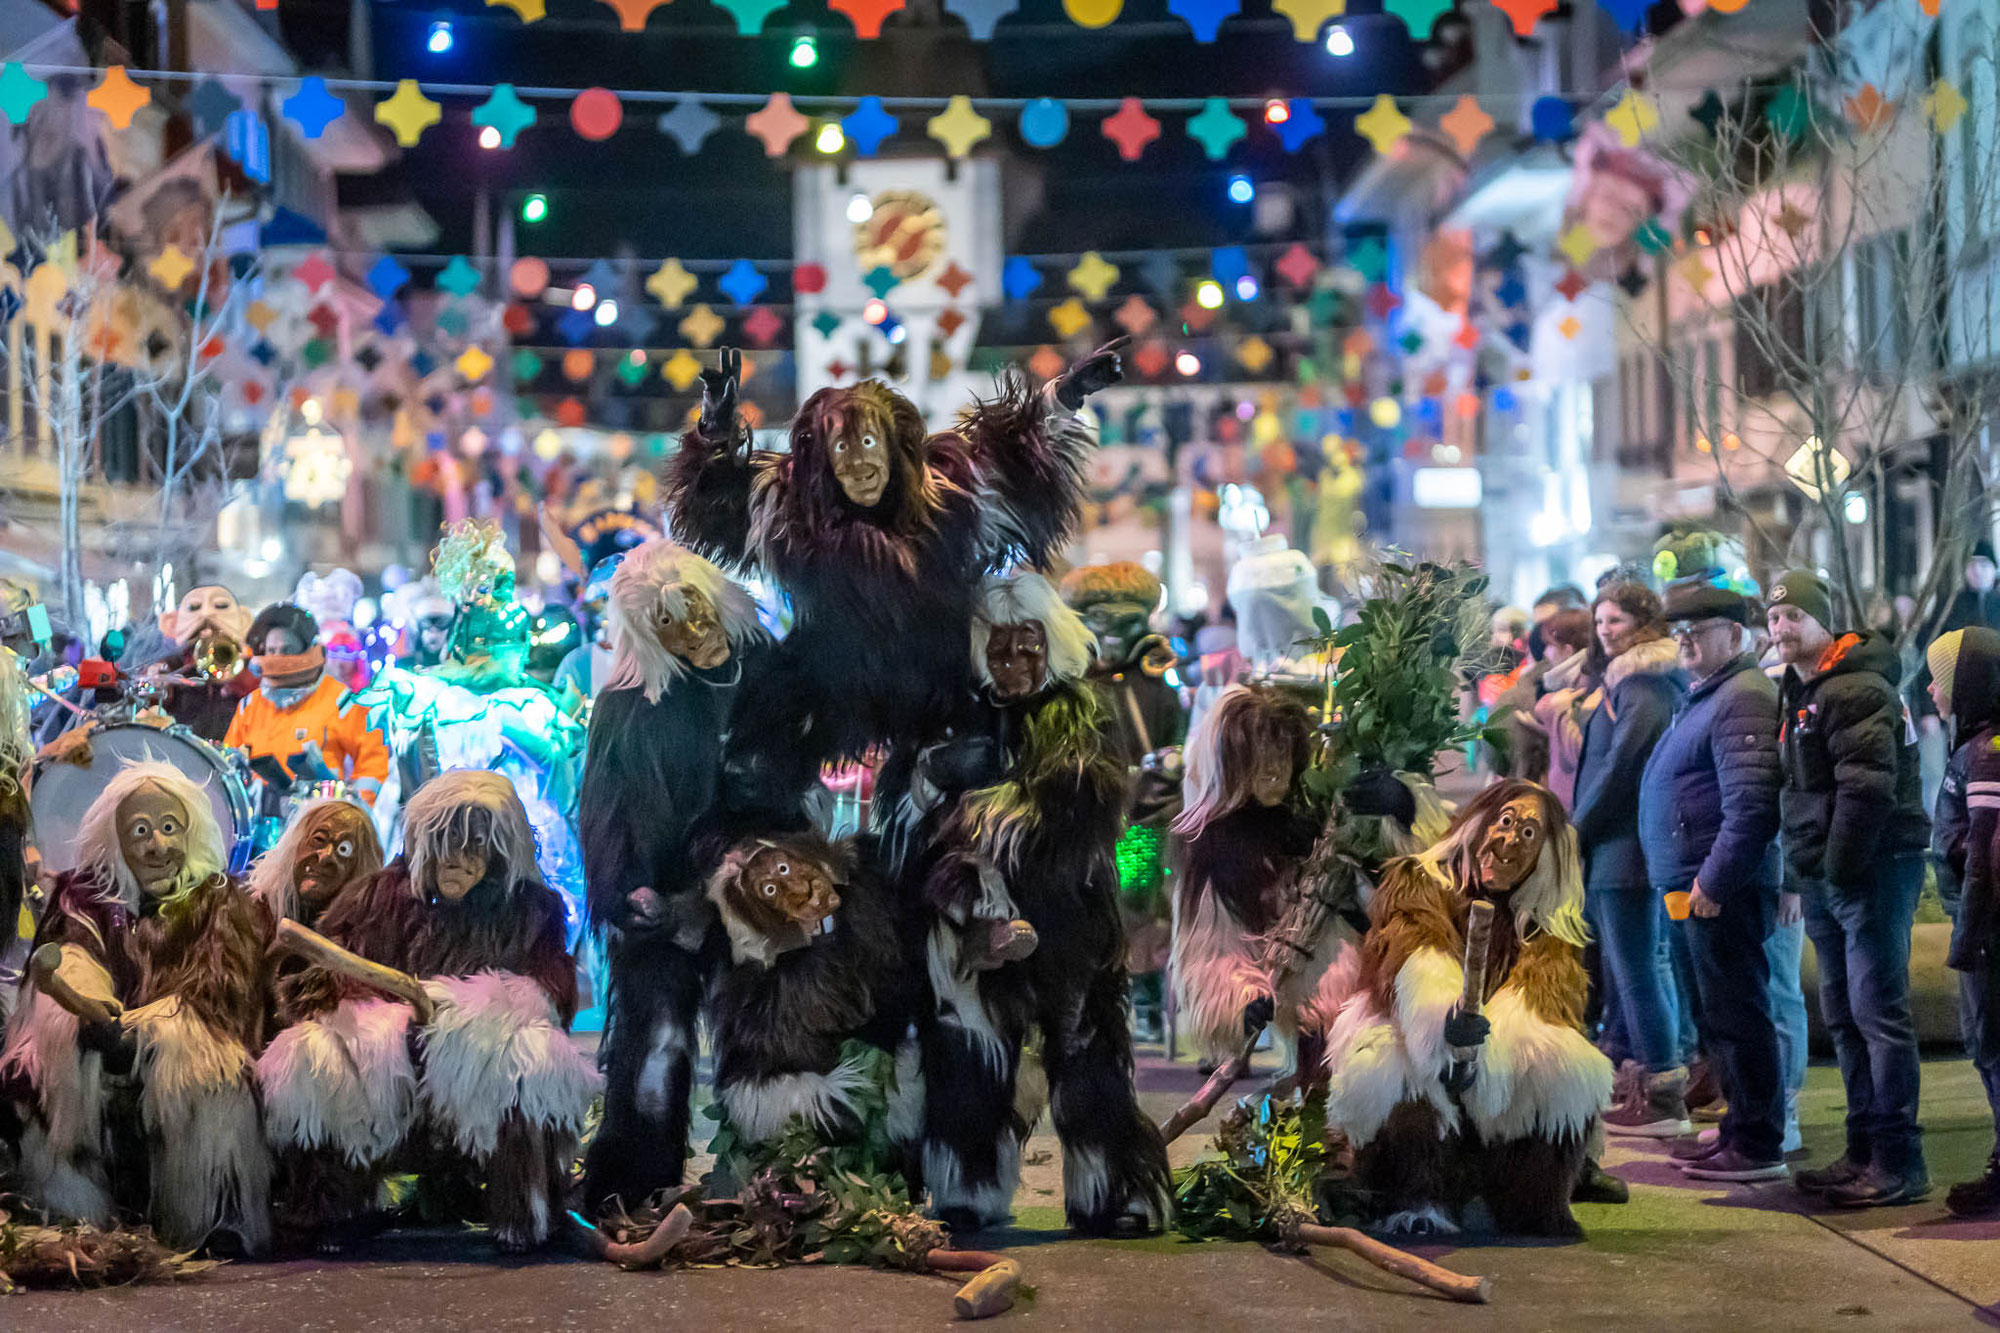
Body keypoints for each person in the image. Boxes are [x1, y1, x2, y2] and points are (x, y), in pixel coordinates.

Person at [0, 762, 274, 1253]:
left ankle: (213, 1219)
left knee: (218, 1081)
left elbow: (219, 1002)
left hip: (186, 1058)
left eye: (169, 829)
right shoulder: (84, 896)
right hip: (96, 1054)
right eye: (141, 832)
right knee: (35, 1088)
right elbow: (71, 956)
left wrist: (145, 1036)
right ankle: (75, 1219)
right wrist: (85, 1011)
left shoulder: (219, 902)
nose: (157, 847)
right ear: (118, 841)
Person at [1323, 780, 1613, 1237]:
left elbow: (1546, 1008)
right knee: (1391, 1068)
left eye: (1528, 835)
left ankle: (1527, 1202)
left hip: (1489, 1062)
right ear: (1481, 823)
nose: (1508, 842)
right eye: (1505, 822)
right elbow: (1412, 965)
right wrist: (1444, 1026)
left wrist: (1485, 1062)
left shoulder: (1546, 925)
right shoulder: (1419, 882)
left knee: (1570, 1067)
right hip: (1407, 1031)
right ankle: (1416, 1200)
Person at [1769, 569, 1931, 1207]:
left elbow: (1867, 791)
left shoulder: (1855, 686)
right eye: (1773, 617)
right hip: (1830, 874)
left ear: (1821, 620)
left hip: (1871, 871)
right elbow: (1799, 792)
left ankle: (1898, 1161)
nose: (1779, 628)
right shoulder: (1804, 687)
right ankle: (1863, 1149)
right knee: (1842, 1014)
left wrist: (1836, 872)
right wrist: (1805, 874)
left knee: (1877, 1013)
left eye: (1791, 617)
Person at [1637, 583, 1786, 1181]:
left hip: (1720, 889)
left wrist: (1714, 882)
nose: (1685, 641)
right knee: (1717, 1017)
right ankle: (1737, 1130)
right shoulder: (1710, 694)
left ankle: (1756, 1143)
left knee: (1738, 1013)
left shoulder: (1743, 695)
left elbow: (1751, 805)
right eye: (1680, 633)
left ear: (1736, 634)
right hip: (1695, 887)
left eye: (1698, 631)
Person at [1571, 581, 1688, 1136]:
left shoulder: (1643, 686)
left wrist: (1575, 831)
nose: (1604, 632)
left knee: (1639, 971)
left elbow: (1621, 771)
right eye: (1599, 623)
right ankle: (1648, 1078)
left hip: (1627, 851)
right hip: (1621, 848)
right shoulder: (1632, 683)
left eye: (1614, 621)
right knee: (1638, 968)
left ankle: (1665, 1096)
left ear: (1643, 621)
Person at [1922, 626, 2000, 1216]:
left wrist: (1969, 940)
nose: (1931, 688)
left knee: (1991, 1045)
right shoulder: (1977, 743)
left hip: (1988, 931)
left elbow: (1982, 857)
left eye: (1942, 679)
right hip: (1983, 925)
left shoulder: (1984, 753)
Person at [224, 603, 389, 809]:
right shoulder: (249, 706)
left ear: (311, 650)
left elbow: (372, 768)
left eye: (286, 650)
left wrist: (354, 813)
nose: (277, 659)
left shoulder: (343, 703)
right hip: (261, 829)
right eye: (271, 650)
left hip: (321, 824)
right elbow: (227, 765)